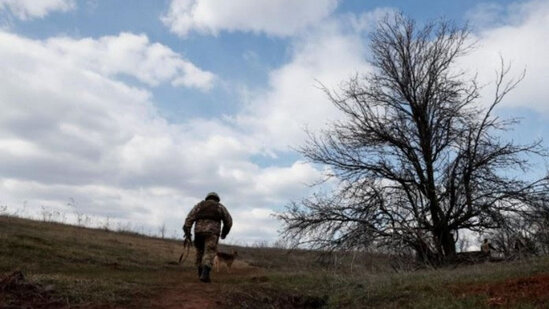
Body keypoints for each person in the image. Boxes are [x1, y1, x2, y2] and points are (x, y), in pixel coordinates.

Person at [183, 192, 232, 283]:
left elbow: (189, 218)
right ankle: (205, 274)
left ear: (207, 198)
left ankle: (200, 273)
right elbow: (229, 221)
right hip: (212, 233)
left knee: (200, 252)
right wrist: (224, 233)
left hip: (198, 232)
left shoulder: (199, 206)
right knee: (209, 252)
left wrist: (187, 230)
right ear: (217, 199)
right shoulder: (220, 207)